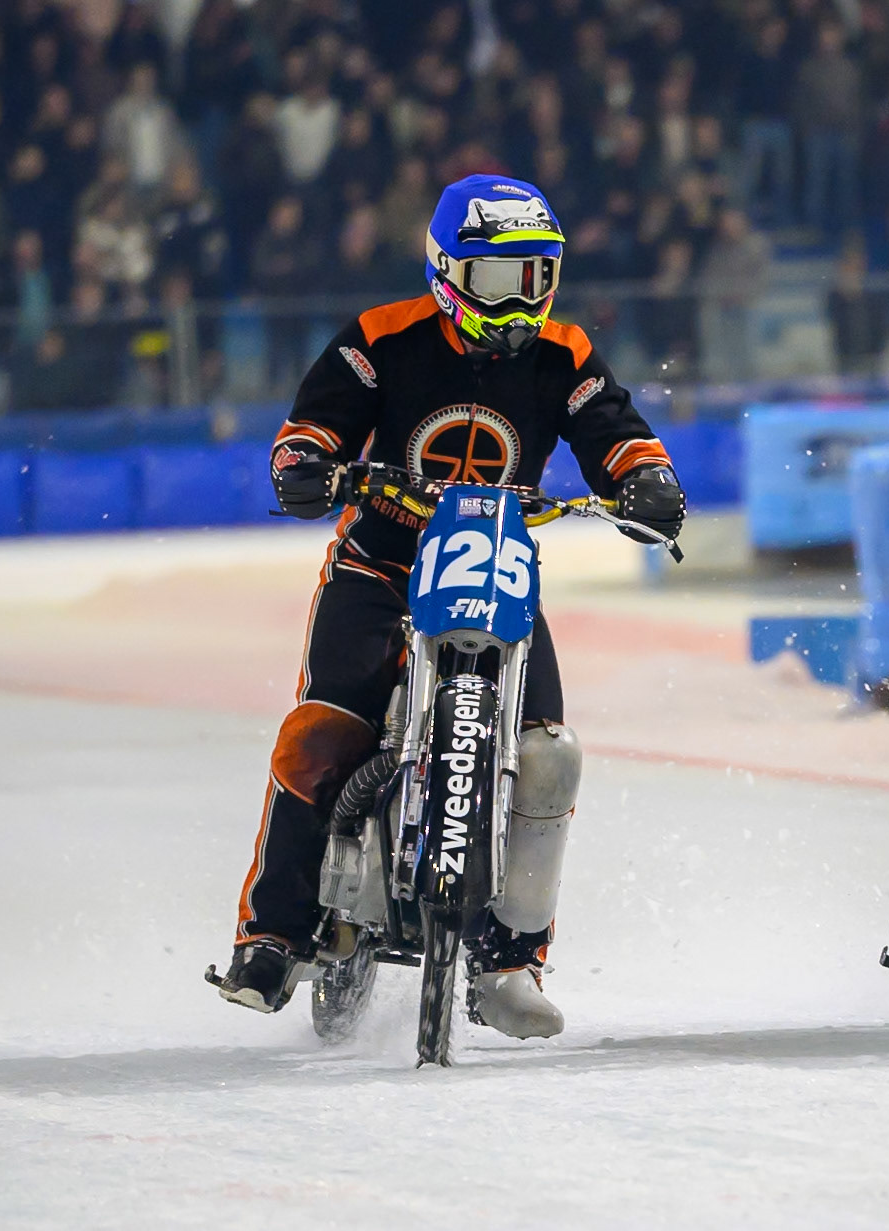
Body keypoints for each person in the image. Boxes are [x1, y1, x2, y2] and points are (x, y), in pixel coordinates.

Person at [211, 175, 688, 1038]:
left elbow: (612, 429)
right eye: (501, 280)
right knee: (320, 735)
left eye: (538, 277)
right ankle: (272, 936)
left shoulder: (566, 354)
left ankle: (513, 961)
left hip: (495, 570)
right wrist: (309, 465)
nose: (523, 302)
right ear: (446, 273)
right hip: (378, 568)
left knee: (549, 758)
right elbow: (313, 426)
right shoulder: (379, 340)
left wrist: (644, 479)